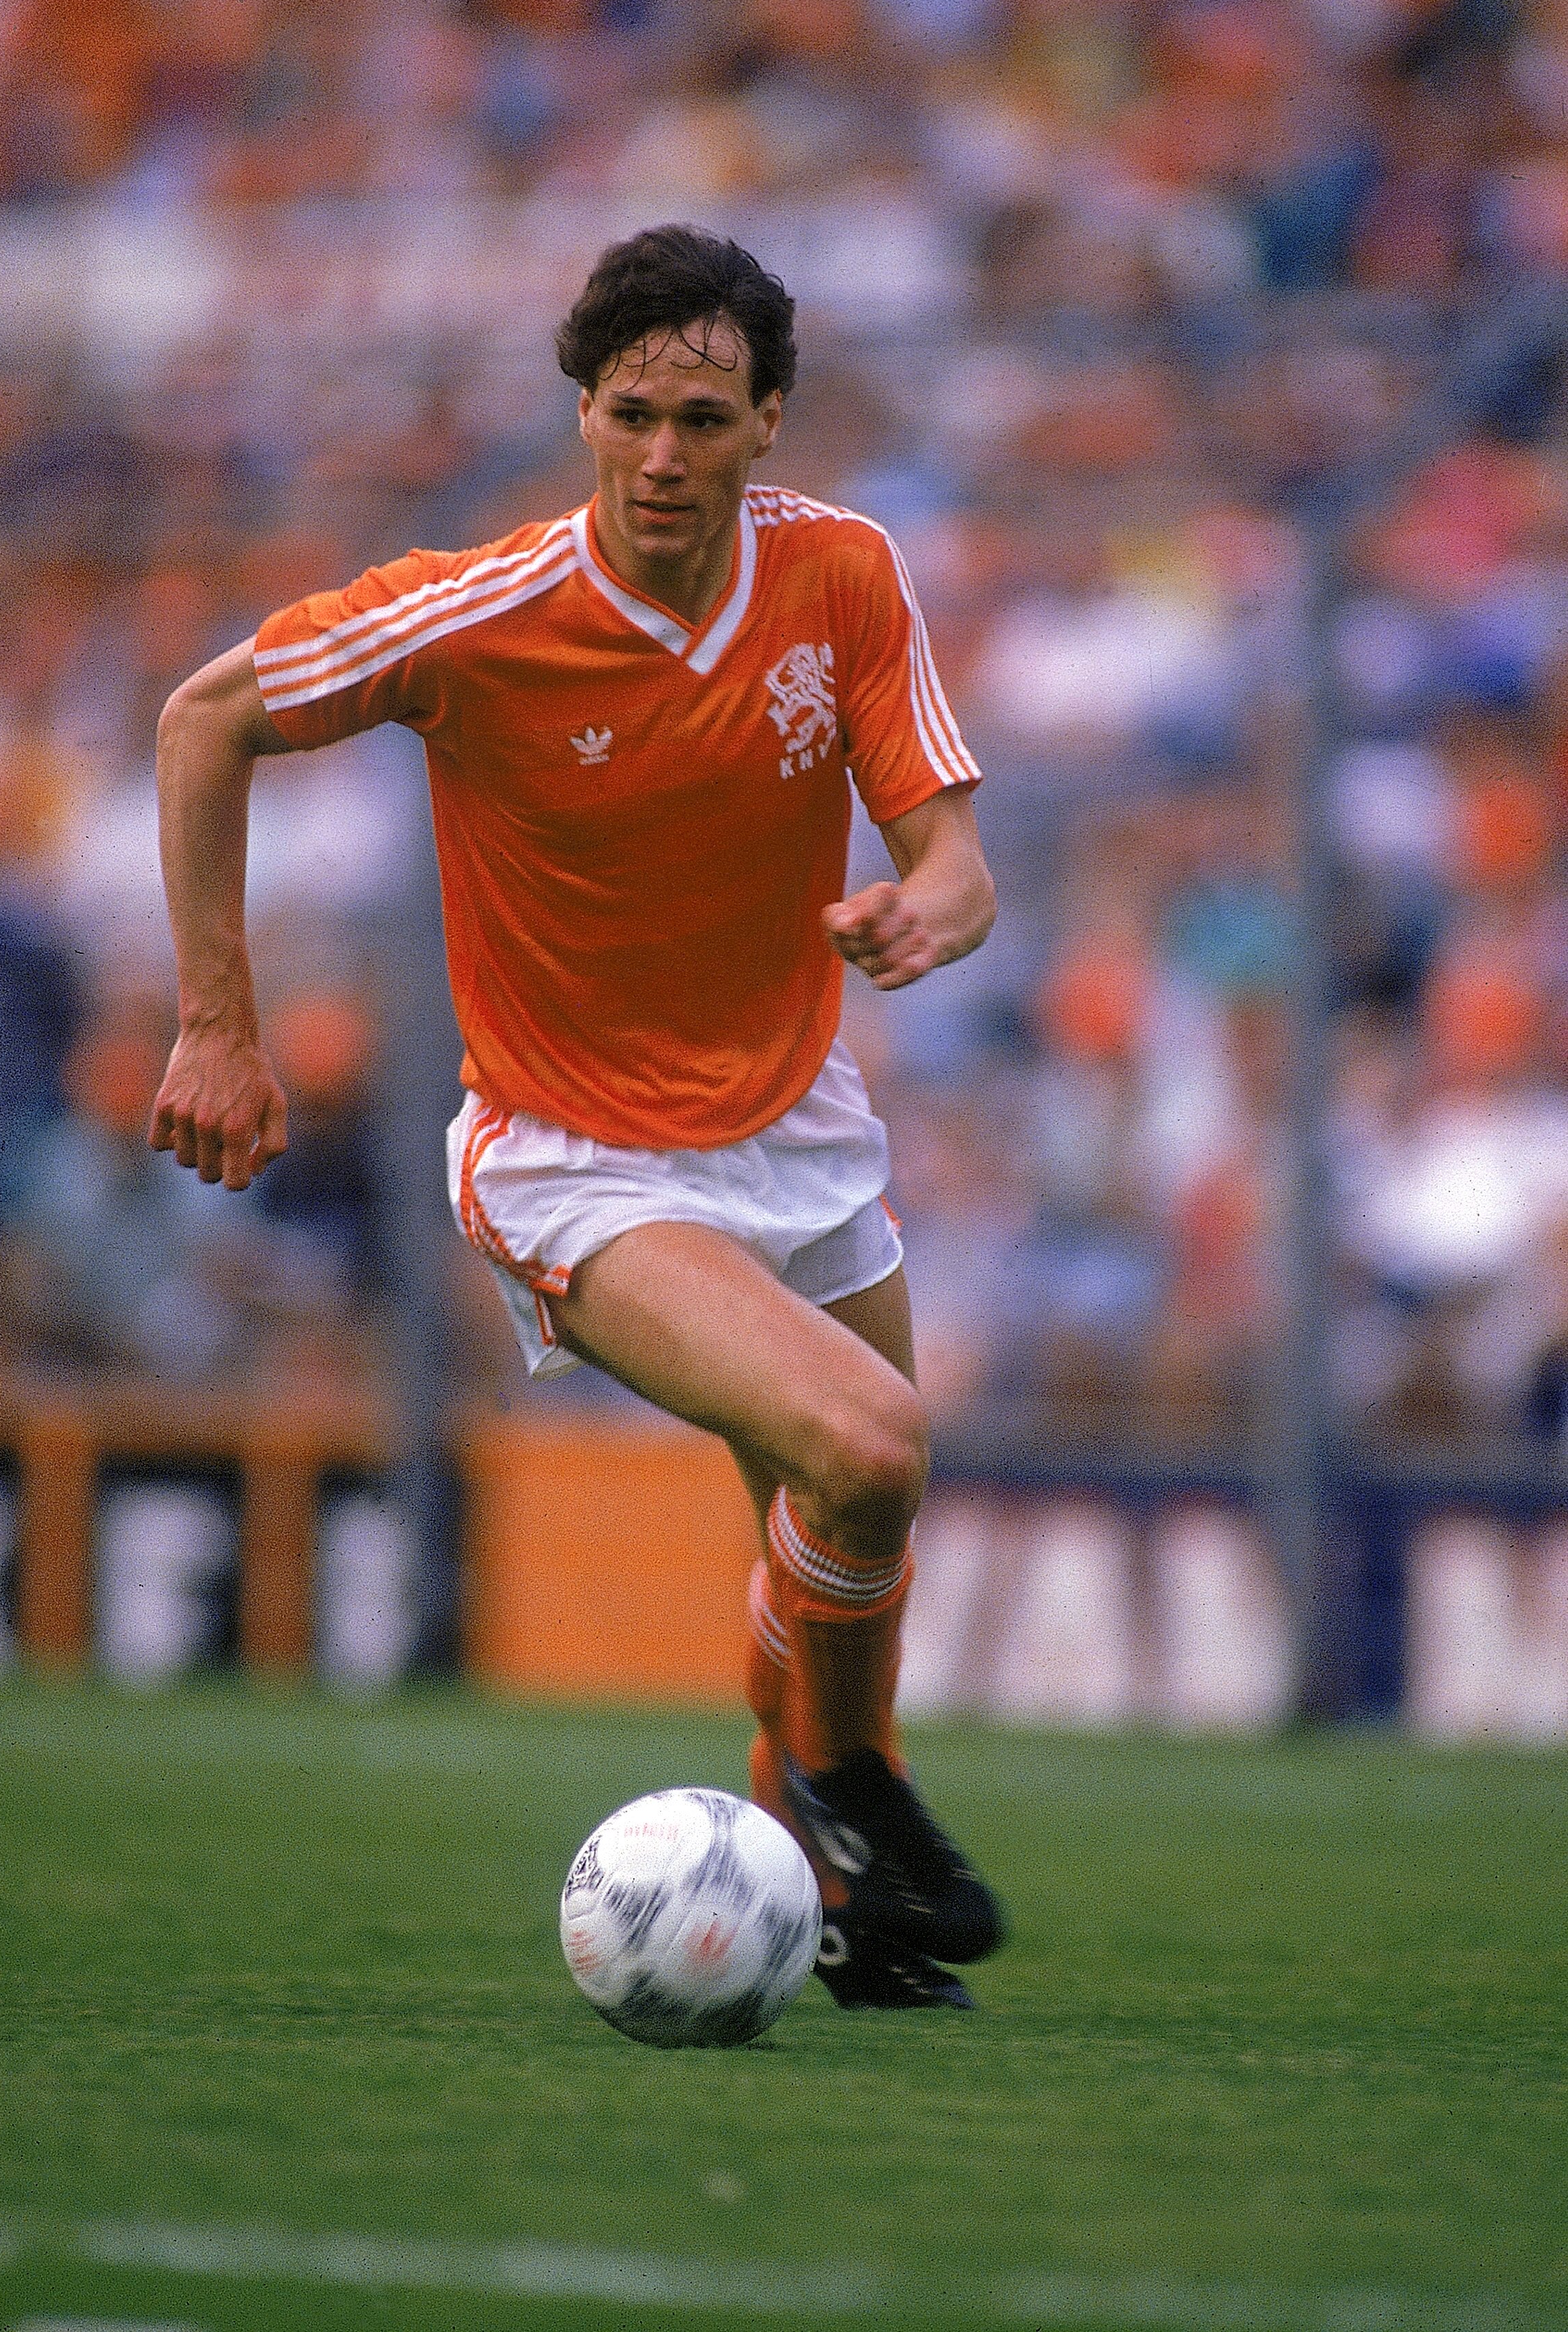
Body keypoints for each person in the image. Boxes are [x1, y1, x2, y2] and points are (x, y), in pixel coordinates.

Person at [149, 225, 1004, 2008]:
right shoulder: (485, 614)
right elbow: (204, 717)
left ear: (771, 423)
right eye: (630, 416)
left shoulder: (841, 572)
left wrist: (937, 901)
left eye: (705, 416)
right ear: (585, 417)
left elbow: (953, 849)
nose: (664, 457)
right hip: (575, 1156)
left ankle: (823, 1872)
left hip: (800, 1120)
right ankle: (853, 1793)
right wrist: (218, 1025)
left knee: (838, 1512)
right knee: (869, 1446)